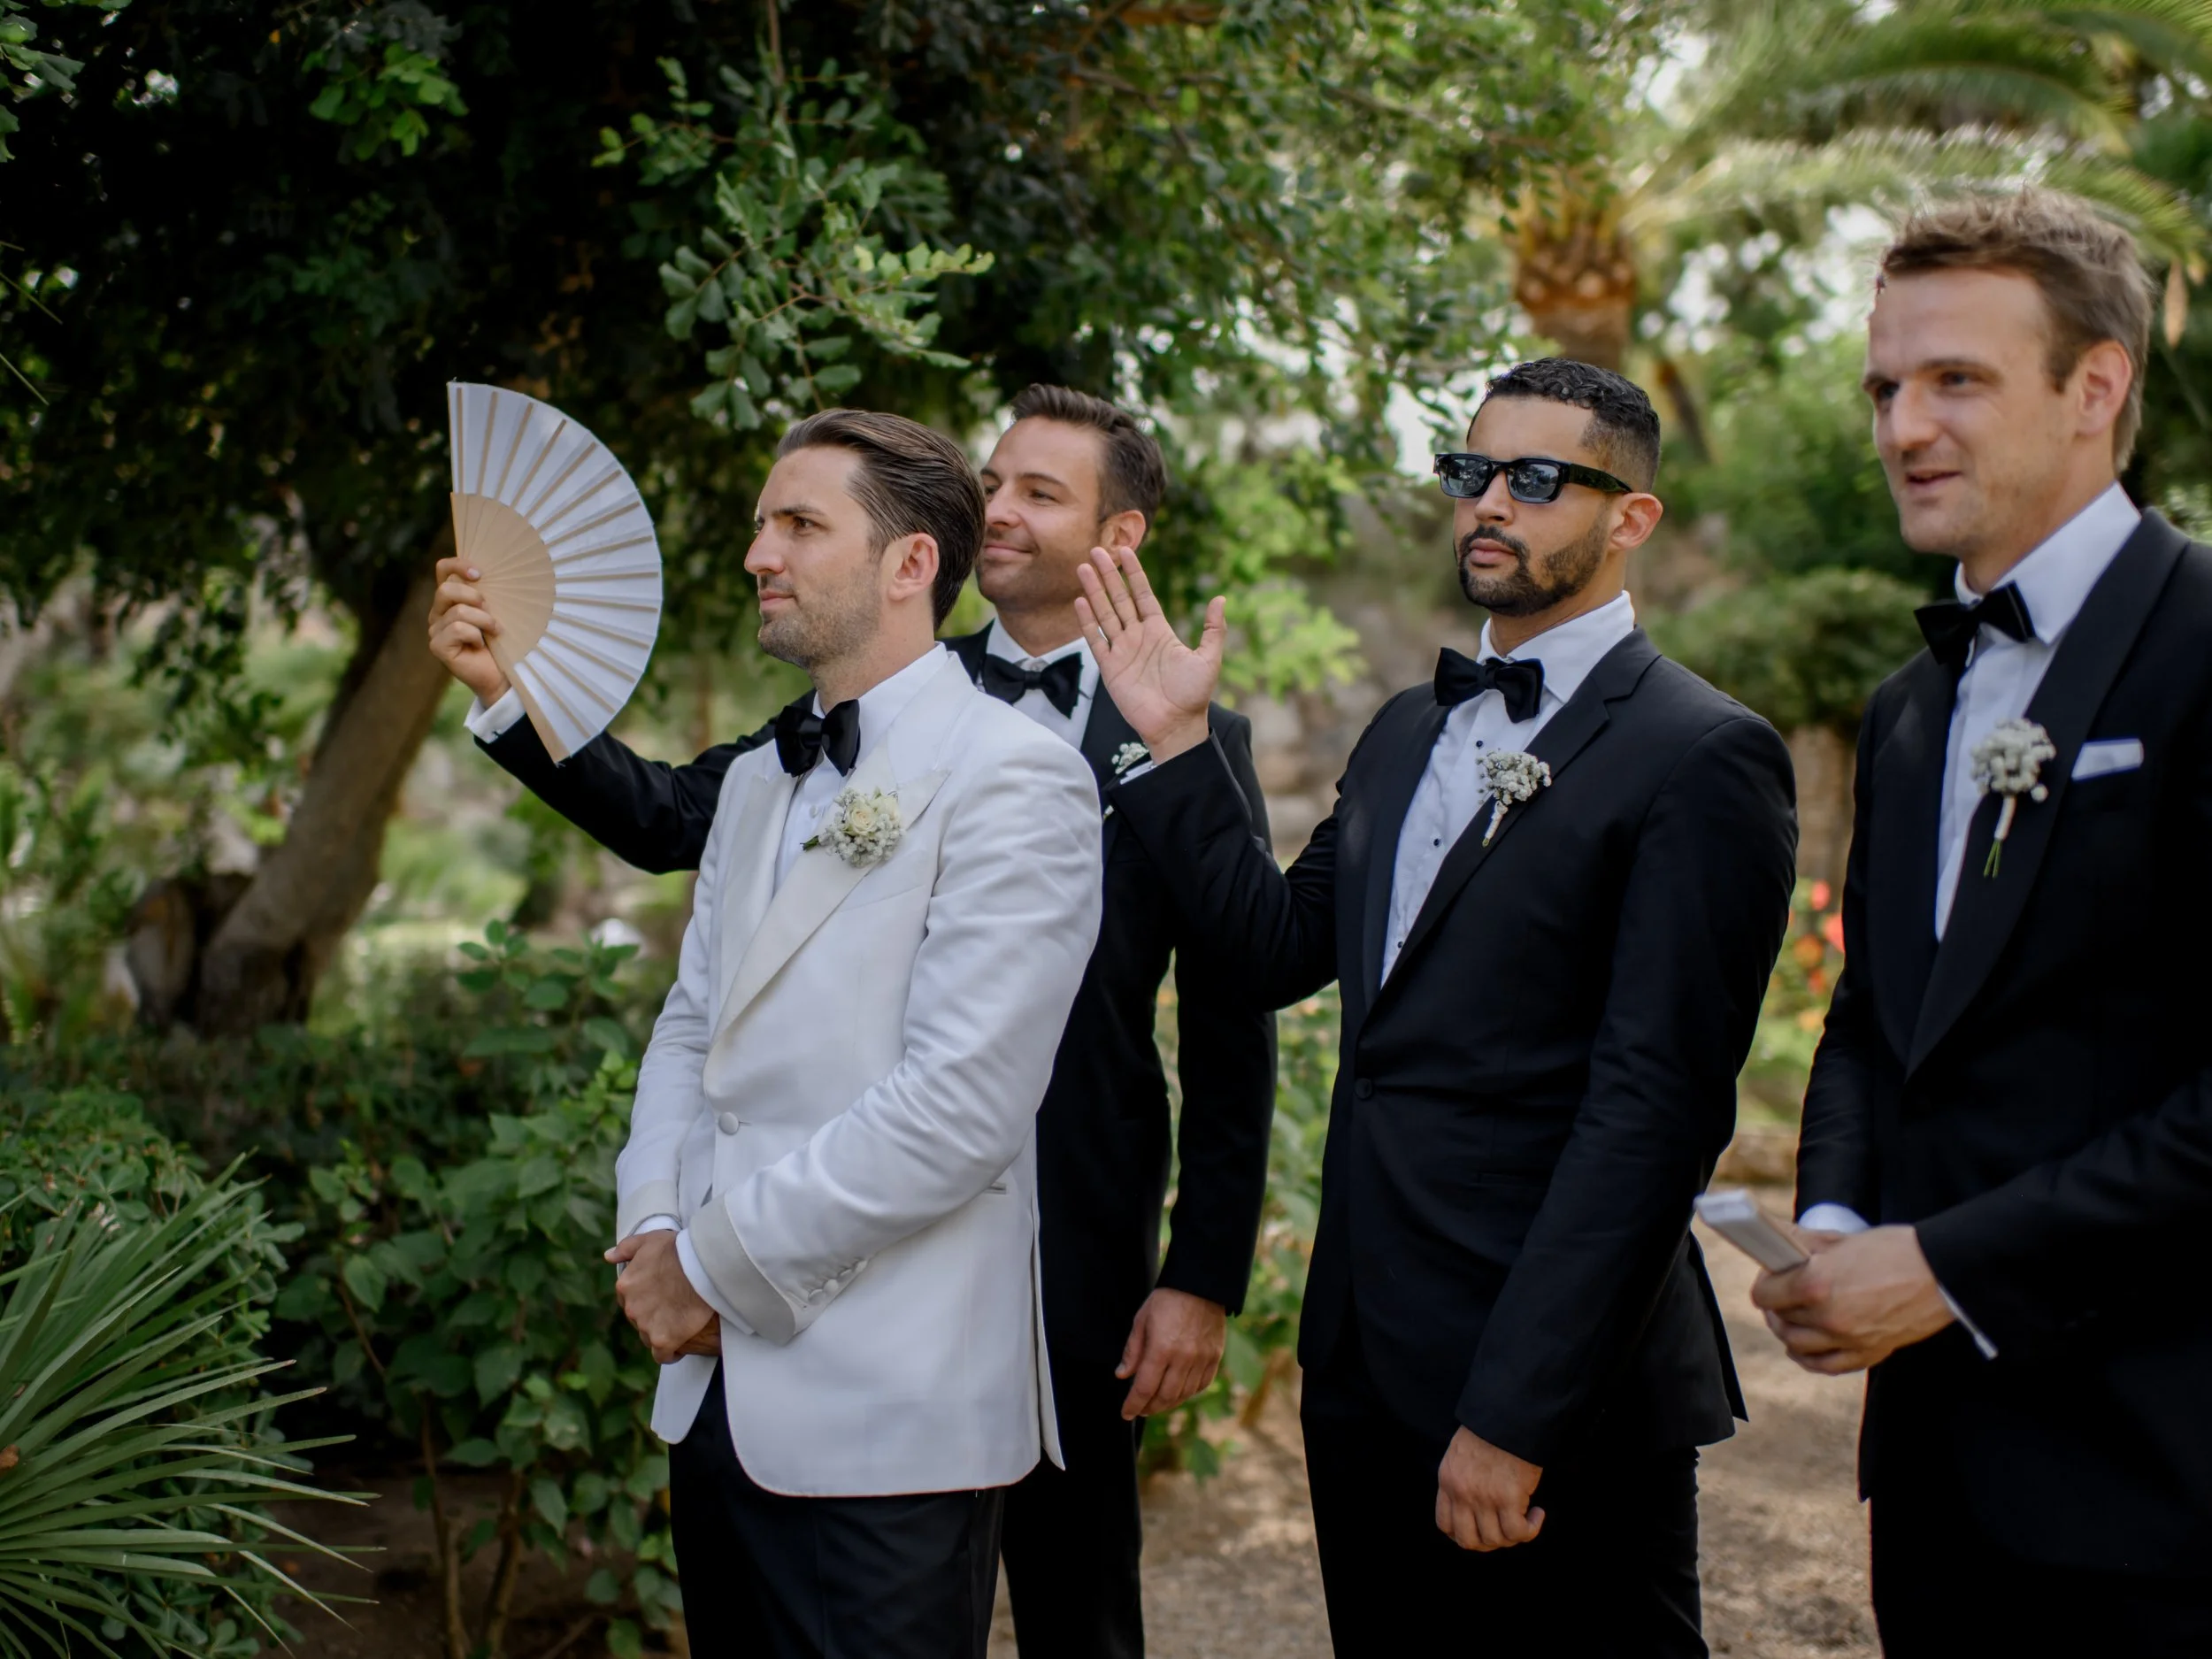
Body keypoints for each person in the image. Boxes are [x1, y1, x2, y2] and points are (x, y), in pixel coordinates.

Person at [426, 386, 1276, 1658]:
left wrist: (1201, 1271)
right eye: (995, 479)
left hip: (1061, 1245)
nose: (1003, 506)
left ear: (1121, 536)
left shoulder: (1142, 746)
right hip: (785, 1293)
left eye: (1043, 492)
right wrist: (510, 696)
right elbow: (687, 935)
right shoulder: (806, 742)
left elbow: (1228, 1018)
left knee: (1078, 1601)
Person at [1074, 358, 1798, 1655]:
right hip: (1364, 1364)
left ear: (1631, 517)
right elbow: (1273, 951)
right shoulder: (1408, 728)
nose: (1489, 505)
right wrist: (1177, 746)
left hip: (1553, 1388)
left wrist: (1518, 1414)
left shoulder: (1703, 755)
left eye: (1536, 479)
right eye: (1472, 474)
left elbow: (1653, 1116)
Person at [1755, 191, 2212, 1655]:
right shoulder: (1911, 707)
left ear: (2098, 387)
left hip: (2174, 1480)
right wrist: (1831, 1217)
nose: (1902, 428)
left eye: (1957, 379)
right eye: (1886, 386)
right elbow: (1878, 1020)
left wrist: (1951, 1263)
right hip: (1941, 1483)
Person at [588, 409, 1101, 1655]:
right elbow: (692, 1026)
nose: (761, 552)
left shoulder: (1014, 774)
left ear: (910, 562)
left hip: (891, 1416)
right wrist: (652, 1220)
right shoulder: (764, 775)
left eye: (800, 523)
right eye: (765, 522)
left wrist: (708, 1267)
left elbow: (959, 1110)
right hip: (715, 1402)